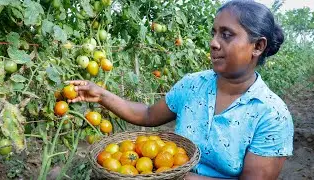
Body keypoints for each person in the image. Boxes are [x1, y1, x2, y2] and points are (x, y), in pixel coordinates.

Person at [68, 0, 294, 179]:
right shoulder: (193, 85)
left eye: (226, 35)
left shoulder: (271, 115)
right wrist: (101, 94)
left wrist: (176, 177)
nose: (214, 43)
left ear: (258, 46)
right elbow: (148, 114)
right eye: (213, 33)